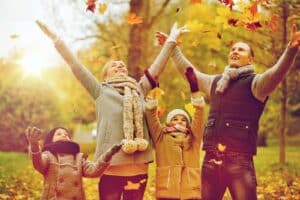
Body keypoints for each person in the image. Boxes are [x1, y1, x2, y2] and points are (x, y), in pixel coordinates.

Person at [36, 20, 188, 200]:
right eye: (114, 65)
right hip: (111, 169)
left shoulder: (139, 89)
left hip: (139, 168)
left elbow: (156, 69)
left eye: (122, 64)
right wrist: (57, 39)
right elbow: (76, 66)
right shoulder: (100, 90)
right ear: (105, 76)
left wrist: (171, 40)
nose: (120, 65)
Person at [156, 24, 300, 199]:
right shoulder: (216, 82)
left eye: (241, 50)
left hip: (239, 163)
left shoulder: (256, 84)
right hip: (210, 160)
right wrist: (172, 47)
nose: (235, 51)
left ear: (250, 60)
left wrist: (291, 49)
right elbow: (190, 74)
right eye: (233, 49)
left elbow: (276, 73)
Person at [145, 67, 205, 200]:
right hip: (167, 190)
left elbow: (199, 116)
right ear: (168, 122)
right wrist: (155, 91)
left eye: (183, 119)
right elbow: (151, 115)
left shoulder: (193, 137)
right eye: (175, 119)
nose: (180, 121)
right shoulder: (161, 136)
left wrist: (195, 90)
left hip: (190, 191)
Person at [25, 126, 121, 200]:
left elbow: (93, 171)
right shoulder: (49, 155)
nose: (64, 135)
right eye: (59, 134)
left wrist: (107, 156)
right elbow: (38, 163)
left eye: (66, 134)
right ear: (51, 140)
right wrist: (34, 145)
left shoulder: (78, 157)